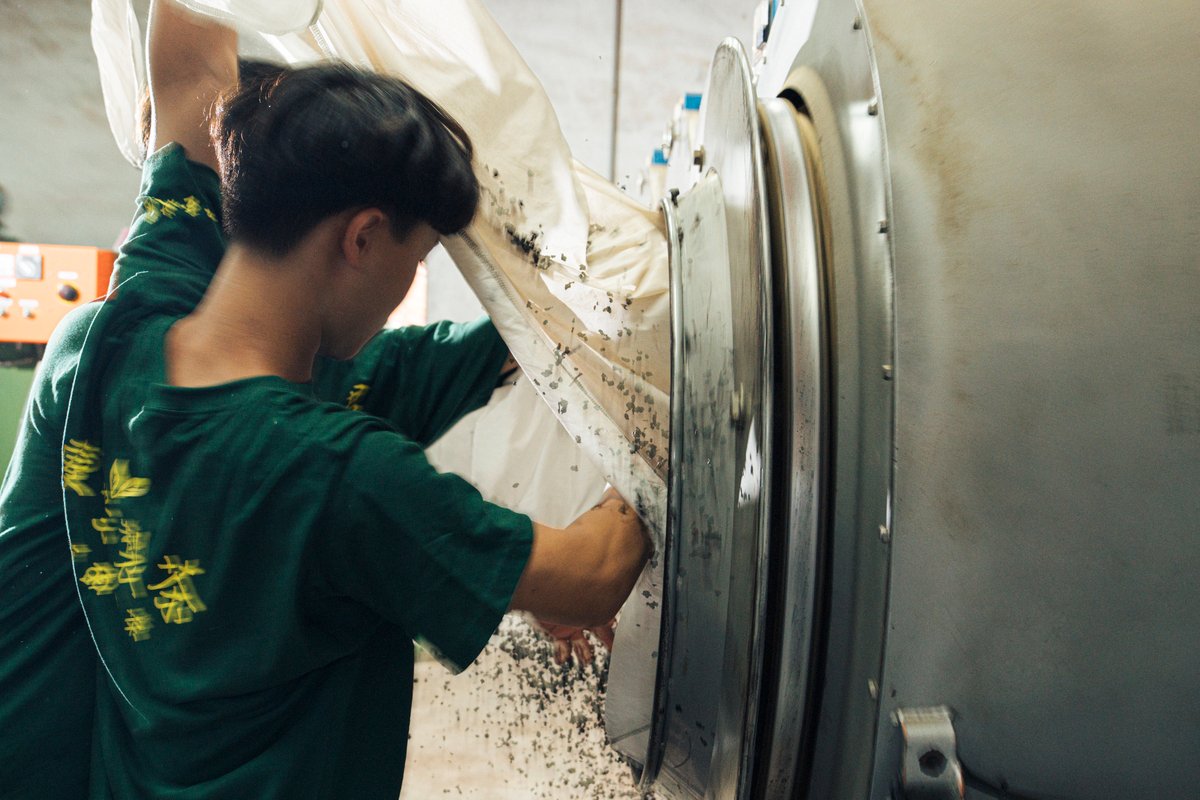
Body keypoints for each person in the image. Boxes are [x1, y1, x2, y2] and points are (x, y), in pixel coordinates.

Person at [9, 2, 647, 799]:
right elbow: (592, 574)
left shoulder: (125, 323)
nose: (407, 284)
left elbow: (188, 73)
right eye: (416, 259)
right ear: (363, 236)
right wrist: (651, 447)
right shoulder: (338, 478)